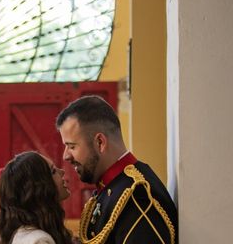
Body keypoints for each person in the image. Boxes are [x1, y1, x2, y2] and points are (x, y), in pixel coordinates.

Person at [56, 95, 177, 244]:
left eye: (72, 146)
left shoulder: (135, 195)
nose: (65, 156)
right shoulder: (111, 188)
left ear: (100, 142)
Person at [0, 151, 74, 244]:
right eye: (53, 171)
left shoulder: (23, 234)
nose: (62, 172)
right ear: (38, 189)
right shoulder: (39, 240)